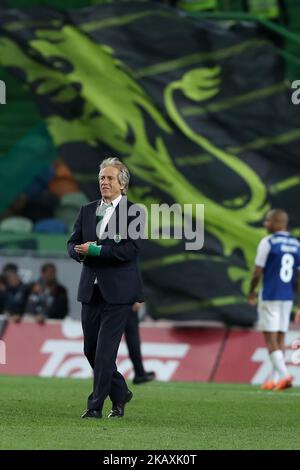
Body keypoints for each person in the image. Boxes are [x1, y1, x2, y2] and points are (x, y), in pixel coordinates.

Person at [67, 157, 144, 419]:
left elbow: (130, 250)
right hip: (91, 290)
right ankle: (120, 392)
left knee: (104, 352)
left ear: (122, 184)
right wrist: (79, 252)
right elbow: (72, 242)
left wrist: (96, 250)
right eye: (102, 178)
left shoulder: (134, 212)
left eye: (110, 178)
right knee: (90, 350)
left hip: (119, 293)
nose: (104, 182)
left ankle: (94, 406)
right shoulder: (87, 210)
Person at [247, 209, 300, 391]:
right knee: (281, 337)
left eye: (268, 221)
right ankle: (275, 379)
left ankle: (285, 376)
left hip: (270, 295)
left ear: (278, 222)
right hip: (287, 297)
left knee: (270, 338)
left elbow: (257, 271)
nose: (265, 224)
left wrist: (251, 291)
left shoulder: (268, 242)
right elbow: (299, 276)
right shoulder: (295, 244)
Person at [125, 302, 155, 384]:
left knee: (108, 336)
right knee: (132, 336)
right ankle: (139, 373)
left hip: (109, 301)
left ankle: (140, 372)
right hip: (125, 301)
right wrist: (138, 299)